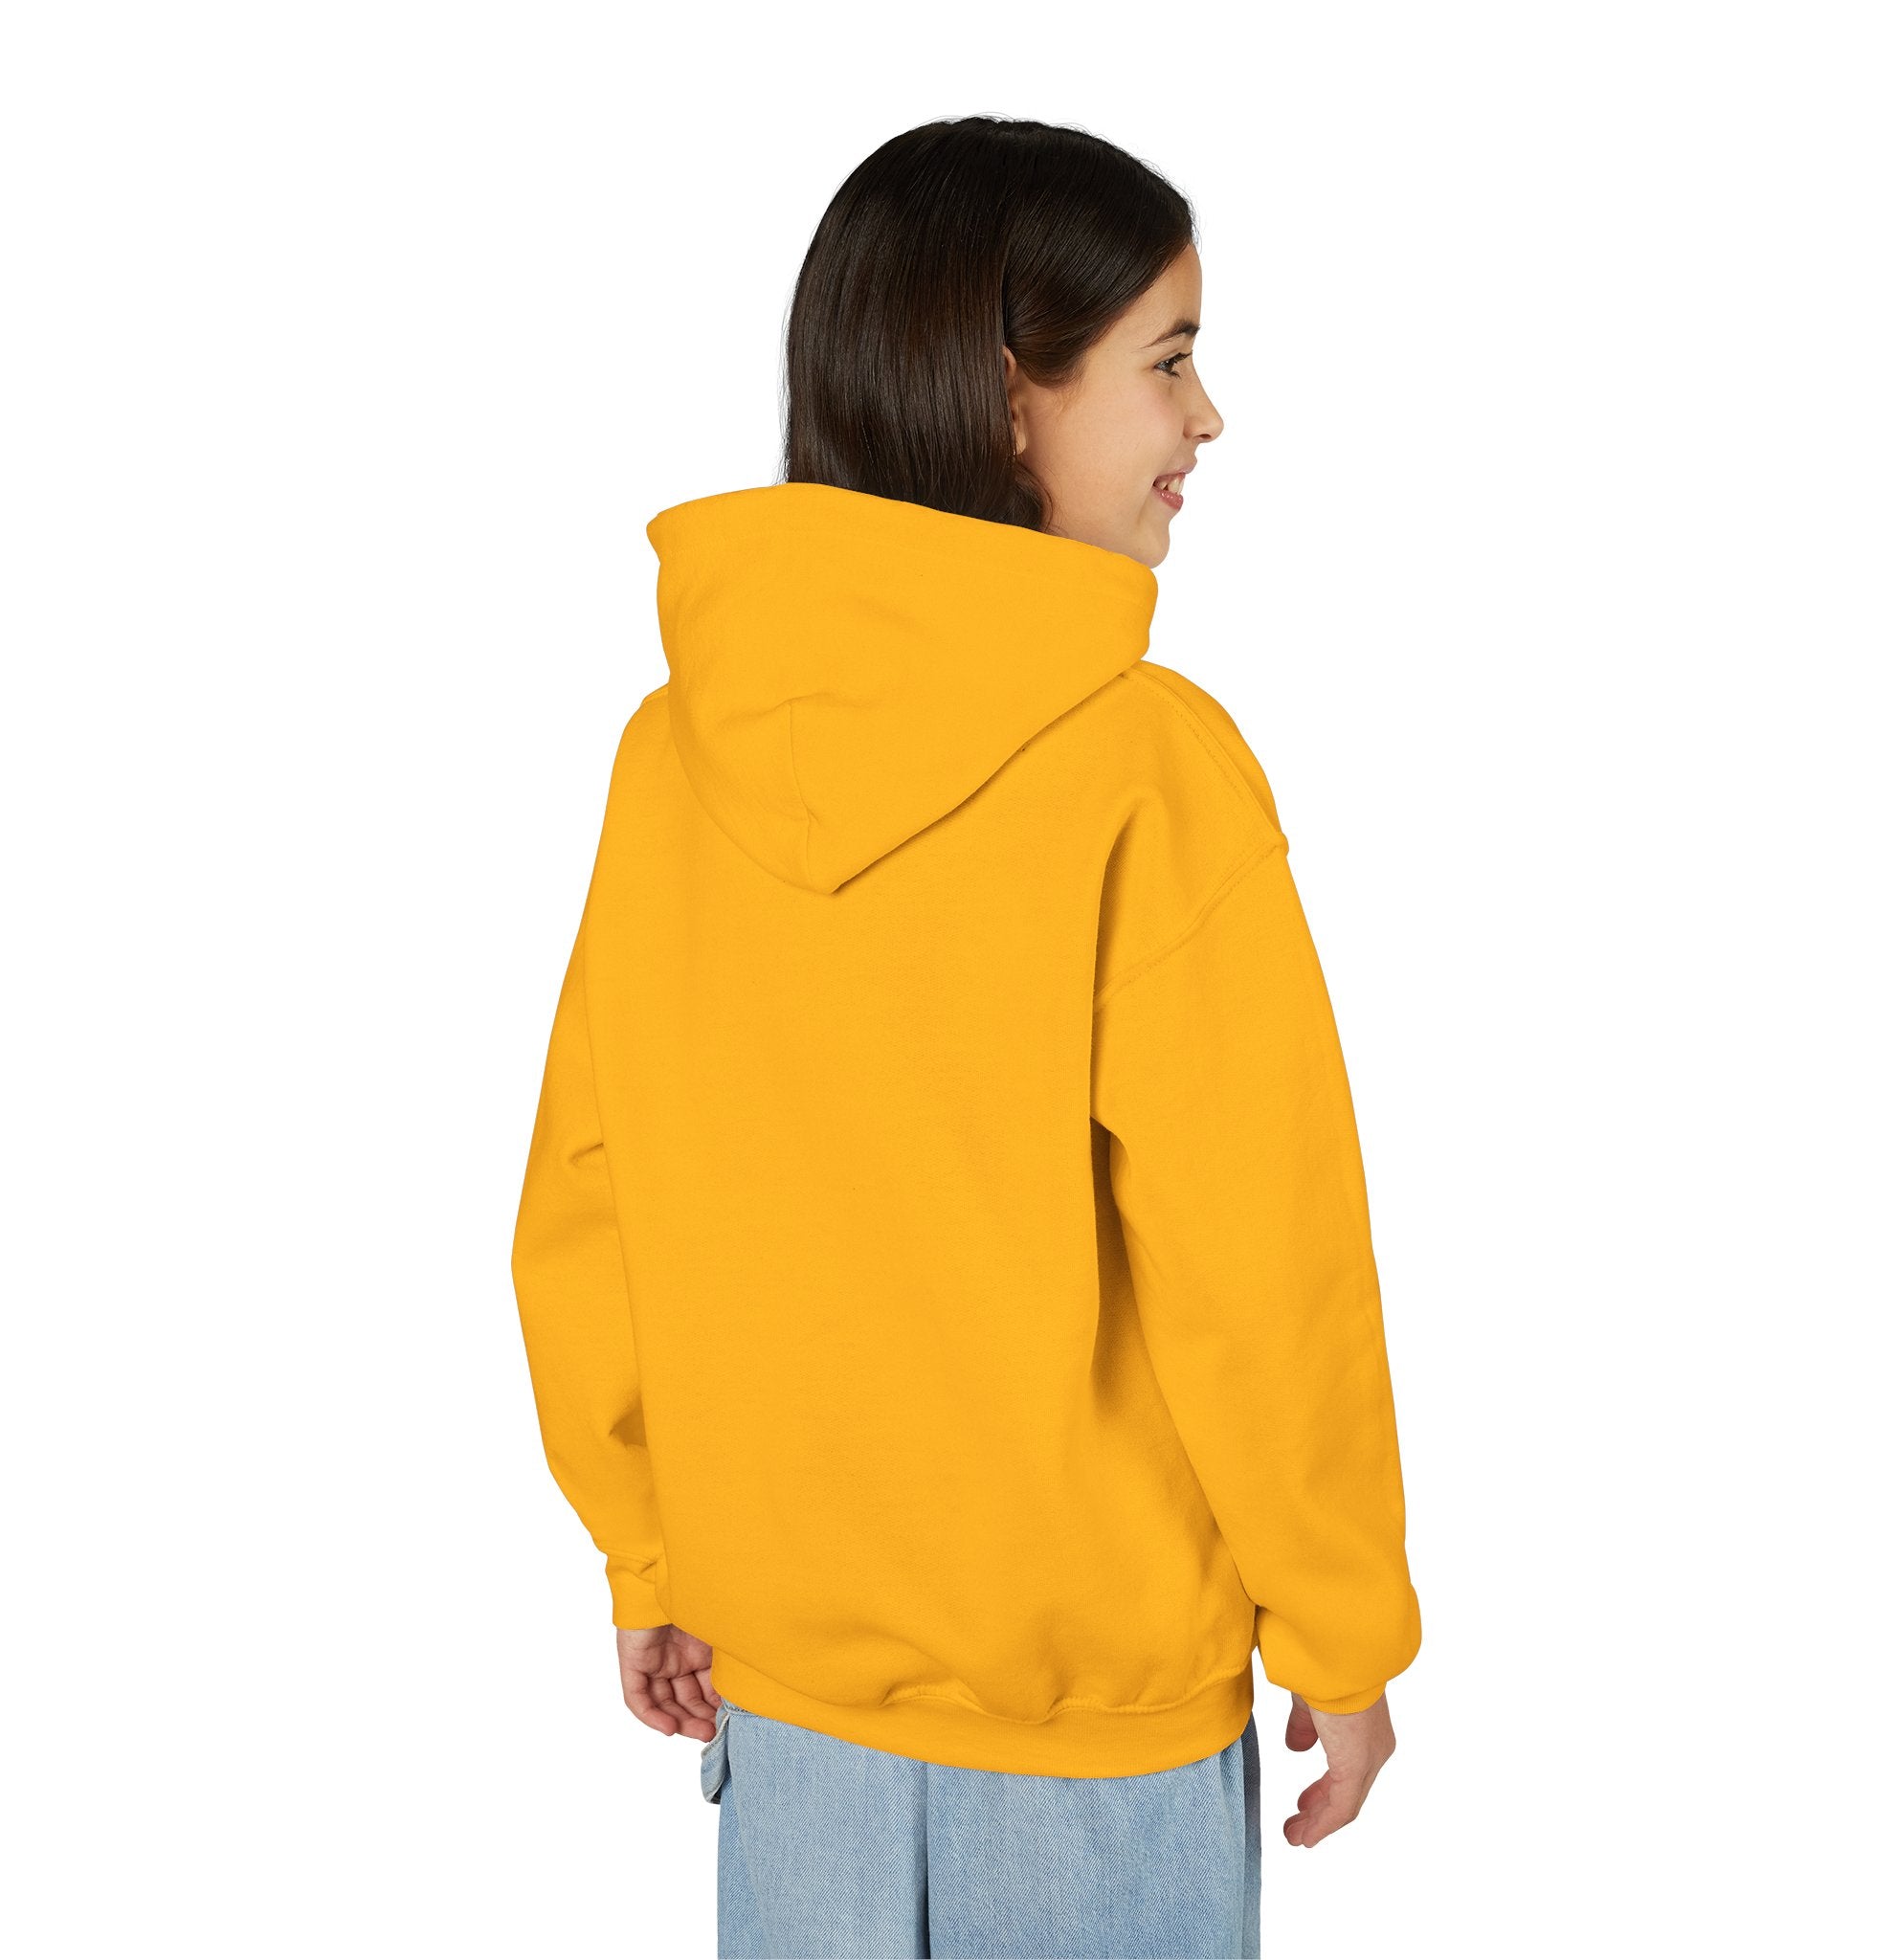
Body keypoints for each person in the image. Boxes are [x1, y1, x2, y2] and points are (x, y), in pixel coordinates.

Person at [511, 114, 1421, 1960]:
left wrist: (650, 1549)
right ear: (1012, 395)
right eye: (1168, 361)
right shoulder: (1147, 770)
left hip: (788, 1715)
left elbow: (591, 1201)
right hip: (1095, 1748)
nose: (1207, 419)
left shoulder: (672, 760)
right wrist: (1341, 1630)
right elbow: (1263, 1260)